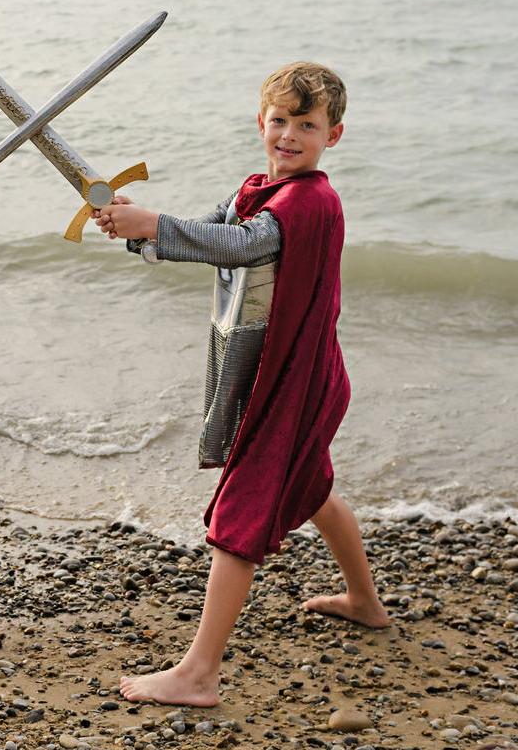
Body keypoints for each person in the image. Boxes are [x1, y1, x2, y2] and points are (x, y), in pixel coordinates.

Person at [95, 61, 389, 707]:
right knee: (312, 487)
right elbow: (210, 236)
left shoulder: (309, 202)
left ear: (333, 135)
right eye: (280, 120)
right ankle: (365, 602)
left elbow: (244, 246)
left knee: (242, 511)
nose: (289, 135)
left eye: (307, 125)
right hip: (297, 375)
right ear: (261, 122)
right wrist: (135, 228)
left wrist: (154, 223)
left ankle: (199, 674)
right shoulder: (257, 189)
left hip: (295, 383)